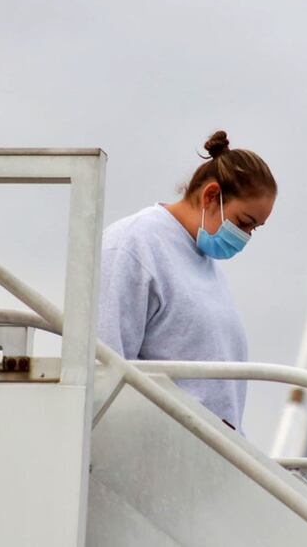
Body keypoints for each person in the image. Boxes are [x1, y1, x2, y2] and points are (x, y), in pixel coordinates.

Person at [97, 131, 277, 431]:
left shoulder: (205, 264)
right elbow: (102, 367)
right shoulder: (133, 245)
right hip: (154, 447)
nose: (245, 237)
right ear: (210, 196)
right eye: (244, 223)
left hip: (208, 450)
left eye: (254, 229)